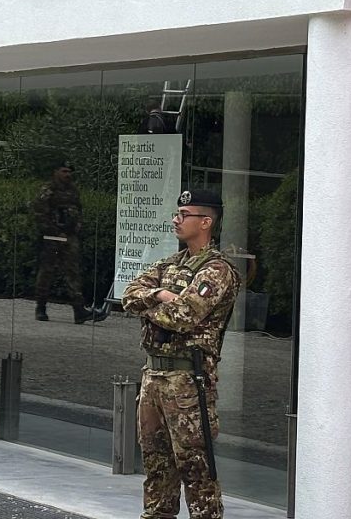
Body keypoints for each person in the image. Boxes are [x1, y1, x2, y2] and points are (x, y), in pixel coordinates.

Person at [121, 189, 240, 519]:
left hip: (188, 382)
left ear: (205, 221)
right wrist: (160, 294)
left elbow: (183, 316)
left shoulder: (217, 270)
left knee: (196, 470)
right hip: (154, 377)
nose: (176, 219)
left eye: (183, 214)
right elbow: (129, 295)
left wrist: (152, 305)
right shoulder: (172, 263)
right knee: (157, 468)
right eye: (177, 213)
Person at [33, 160, 92, 324]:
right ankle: (41, 307)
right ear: (56, 172)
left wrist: (77, 227)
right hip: (52, 238)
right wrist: (52, 231)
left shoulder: (72, 190)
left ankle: (79, 310)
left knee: (73, 273)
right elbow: (40, 214)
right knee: (47, 272)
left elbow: (78, 210)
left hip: (69, 236)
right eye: (64, 171)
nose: (67, 175)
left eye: (69, 172)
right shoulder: (48, 190)